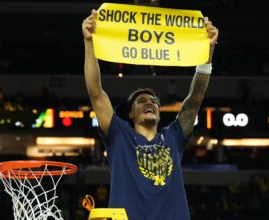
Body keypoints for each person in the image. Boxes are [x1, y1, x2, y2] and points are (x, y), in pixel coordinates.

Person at [82, 8, 218, 220]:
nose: (150, 103)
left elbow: (194, 99)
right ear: (131, 114)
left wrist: (206, 53)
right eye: (142, 101)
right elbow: (96, 93)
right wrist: (89, 42)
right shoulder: (119, 134)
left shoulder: (173, 136)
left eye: (154, 101)